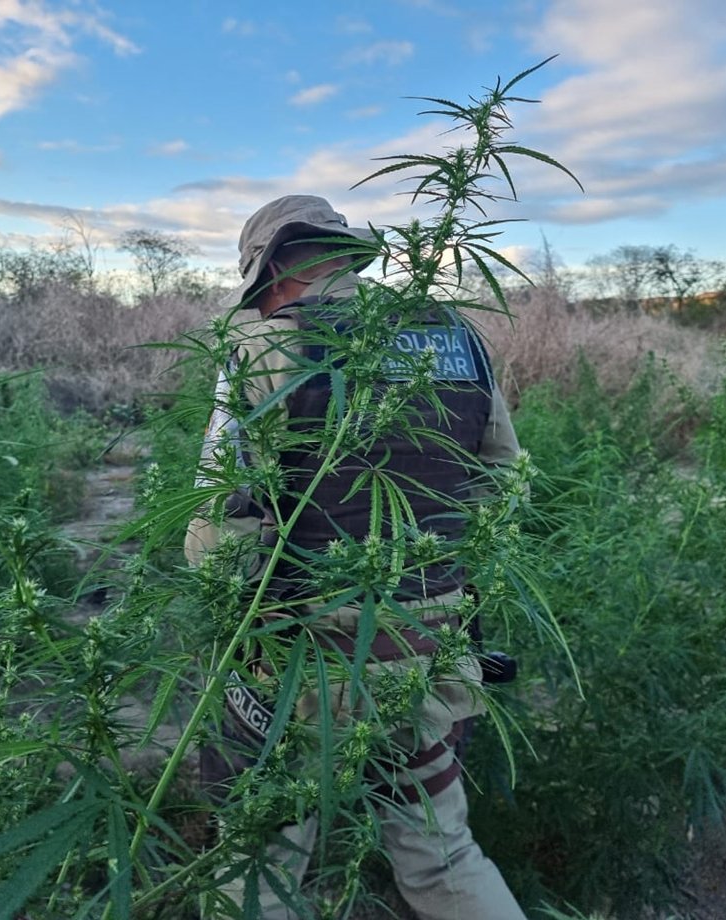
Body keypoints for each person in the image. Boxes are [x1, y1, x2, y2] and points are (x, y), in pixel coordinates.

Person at [186, 194, 527, 920]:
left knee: (262, 865)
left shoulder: (258, 347)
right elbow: (499, 482)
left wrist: (225, 630)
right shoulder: (459, 338)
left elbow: (225, 529)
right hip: (430, 660)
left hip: (301, 670)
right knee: (444, 858)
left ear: (274, 268)